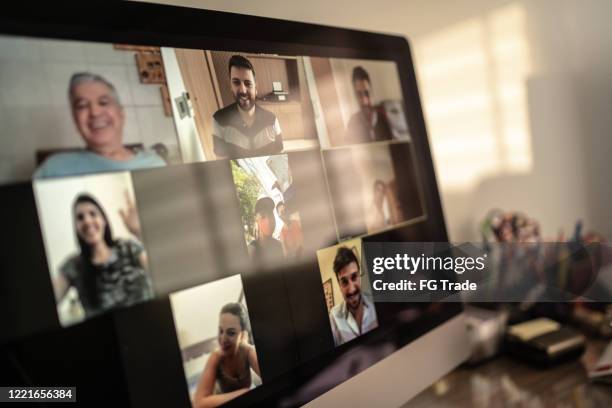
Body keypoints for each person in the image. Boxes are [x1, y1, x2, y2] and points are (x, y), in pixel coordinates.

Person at [34, 72, 166, 178]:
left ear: (121, 112)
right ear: (75, 120)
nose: (95, 112)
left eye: (103, 102)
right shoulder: (53, 170)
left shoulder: (155, 164)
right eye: (82, 106)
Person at [53, 193, 154, 319]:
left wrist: (139, 233)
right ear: (76, 228)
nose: (87, 221)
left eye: (93, 214)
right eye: (80, 217)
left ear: (104, 220)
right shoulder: (74, 266)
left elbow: (161, 272)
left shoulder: (128, 248)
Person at [212, 55, 283, 159]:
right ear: (231, 86)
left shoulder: (272, 119)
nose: (243, 90)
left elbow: (280, 156)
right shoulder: (219, 120)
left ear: (256, 88)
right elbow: (221, 161)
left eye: (248, 83)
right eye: (236, 83)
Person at [193, 303, 261, 408]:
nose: (223, 339)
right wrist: (243, 393)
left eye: (231, 333)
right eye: (221, 331)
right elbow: (199, 403)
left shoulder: (248, 351)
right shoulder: (216, 357)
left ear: (242, 335)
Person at [329, 246, 378, 346]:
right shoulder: (333, 318)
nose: (351, 289)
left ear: (360, 277)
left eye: (354, 277)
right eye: (344, 282)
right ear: (339, 286)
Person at [344, 66, 393, 145]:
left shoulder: (384, 118)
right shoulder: (352, 123)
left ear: (372, 92)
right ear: (355, 96)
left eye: (367, 93)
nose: (364, 101)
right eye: (359, 95)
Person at [247, 197, 284, 262]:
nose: (268, 221)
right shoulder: (251, 251)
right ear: (256, 219)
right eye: (263, 216)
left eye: (270, 214)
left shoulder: (280, 246)